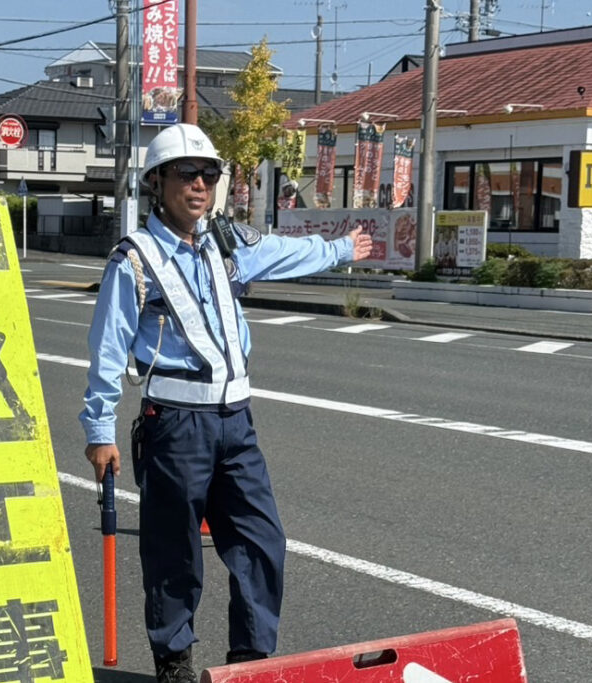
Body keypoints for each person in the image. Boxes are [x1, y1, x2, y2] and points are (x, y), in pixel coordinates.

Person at [79, 123, 372, 683]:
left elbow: (283, 253)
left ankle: (250, 663)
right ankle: (174, 663)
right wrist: (99, 431)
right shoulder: (134, 259)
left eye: (209, 174)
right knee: (174, 552)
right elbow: (108, 348)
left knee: (262, 541)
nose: (199, 185)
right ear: (157, 181)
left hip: (237, 421)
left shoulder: (225, 242)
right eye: (186, 173)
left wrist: (340, 248)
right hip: (174, 423)